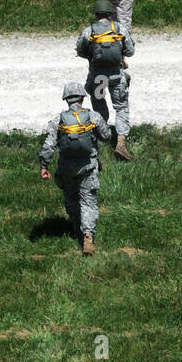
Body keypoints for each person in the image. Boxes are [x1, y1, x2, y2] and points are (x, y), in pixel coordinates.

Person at [39, 81, 113, 255]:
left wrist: (44, 165)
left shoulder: (58, 119)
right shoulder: (92, 116)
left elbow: (49, 146)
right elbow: (107, 136)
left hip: (66, 168)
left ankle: (76, 229)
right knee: (88, 201)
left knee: (71, 199)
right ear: (82, 98)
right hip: (88, 166)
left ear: (66, 99)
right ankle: (88, 236)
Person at [75, 1, 135, 161]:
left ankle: (103, 136)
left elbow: (80, 51)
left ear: (96, 14)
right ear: (110, 14)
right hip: (116, 75)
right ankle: (121, 142)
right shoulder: (120, 29)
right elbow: (130, 51)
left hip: (98, 77)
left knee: (99, 102)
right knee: (121, 107)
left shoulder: (89, 31)